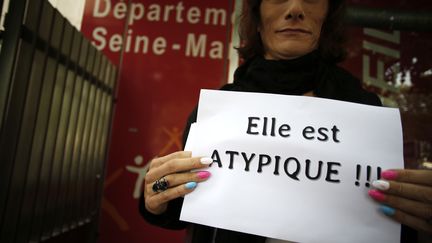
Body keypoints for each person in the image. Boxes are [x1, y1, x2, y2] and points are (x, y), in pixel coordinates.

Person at [139, 0, 432, 242]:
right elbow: (190, 208)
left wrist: (413, 216)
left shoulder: (365, 111)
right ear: (258, 15)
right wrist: (158, 198)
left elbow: (382, 215)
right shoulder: (215, 112)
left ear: (328, 14)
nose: (295, 9)